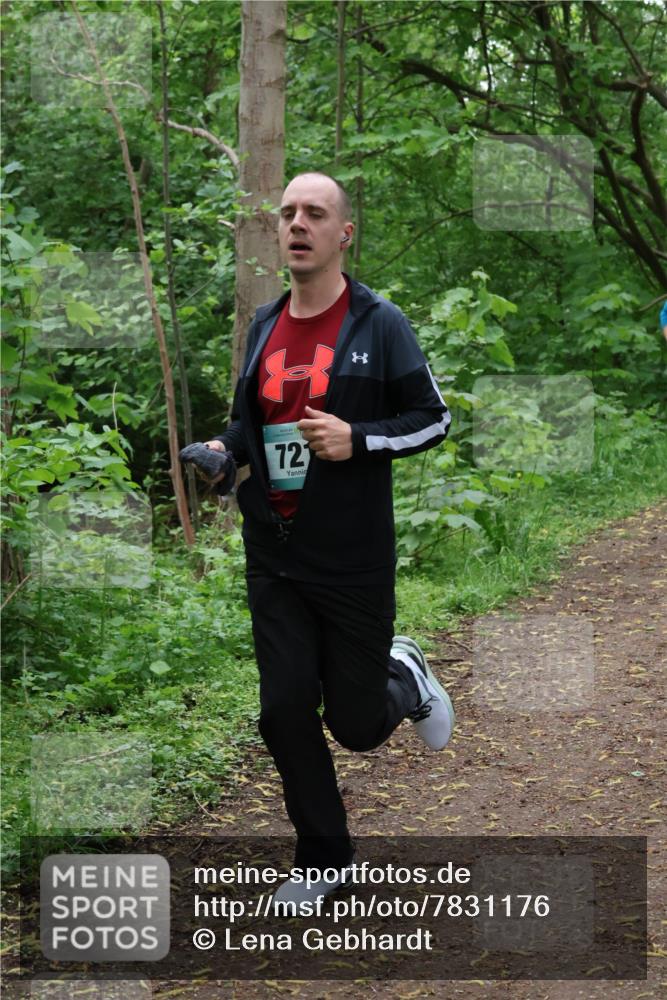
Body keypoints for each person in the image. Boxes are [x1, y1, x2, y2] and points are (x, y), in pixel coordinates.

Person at [205, 172, 455, 908]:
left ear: (344, 233)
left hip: (351, 556)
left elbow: (433, 418)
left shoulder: (378, 323)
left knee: (355, 727)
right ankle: (325, 858)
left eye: (314, 213)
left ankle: (403, 675)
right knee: (282, 711)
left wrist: (359, 438)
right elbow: (250, 426)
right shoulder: (264, 324)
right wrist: (222, 452)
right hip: (275, 553)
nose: (297, 223)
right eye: (287, 213)